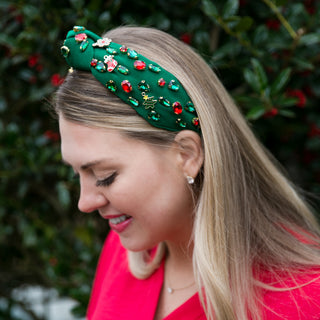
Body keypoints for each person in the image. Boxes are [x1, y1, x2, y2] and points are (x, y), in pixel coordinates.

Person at [54, 25, 320, 320]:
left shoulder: (301, 300)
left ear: (187, 155)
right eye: (78, 173)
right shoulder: (127, 253)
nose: (85, 202)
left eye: (105, 175)